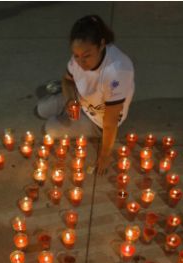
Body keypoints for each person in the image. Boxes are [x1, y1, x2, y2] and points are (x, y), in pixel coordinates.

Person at [37, 14, 135, 175]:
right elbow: (67, 80)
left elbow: (109, 123)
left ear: (102, 44)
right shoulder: (79, 54)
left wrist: (104, 156)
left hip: (98, 119)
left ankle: (65, 108)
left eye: (87, 56)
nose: (81, 62)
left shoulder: (116, 72)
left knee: (50, 128)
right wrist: (69, 101)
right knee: (41, 109)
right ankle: (64, 102)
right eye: (76, 56)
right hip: (80, 98)